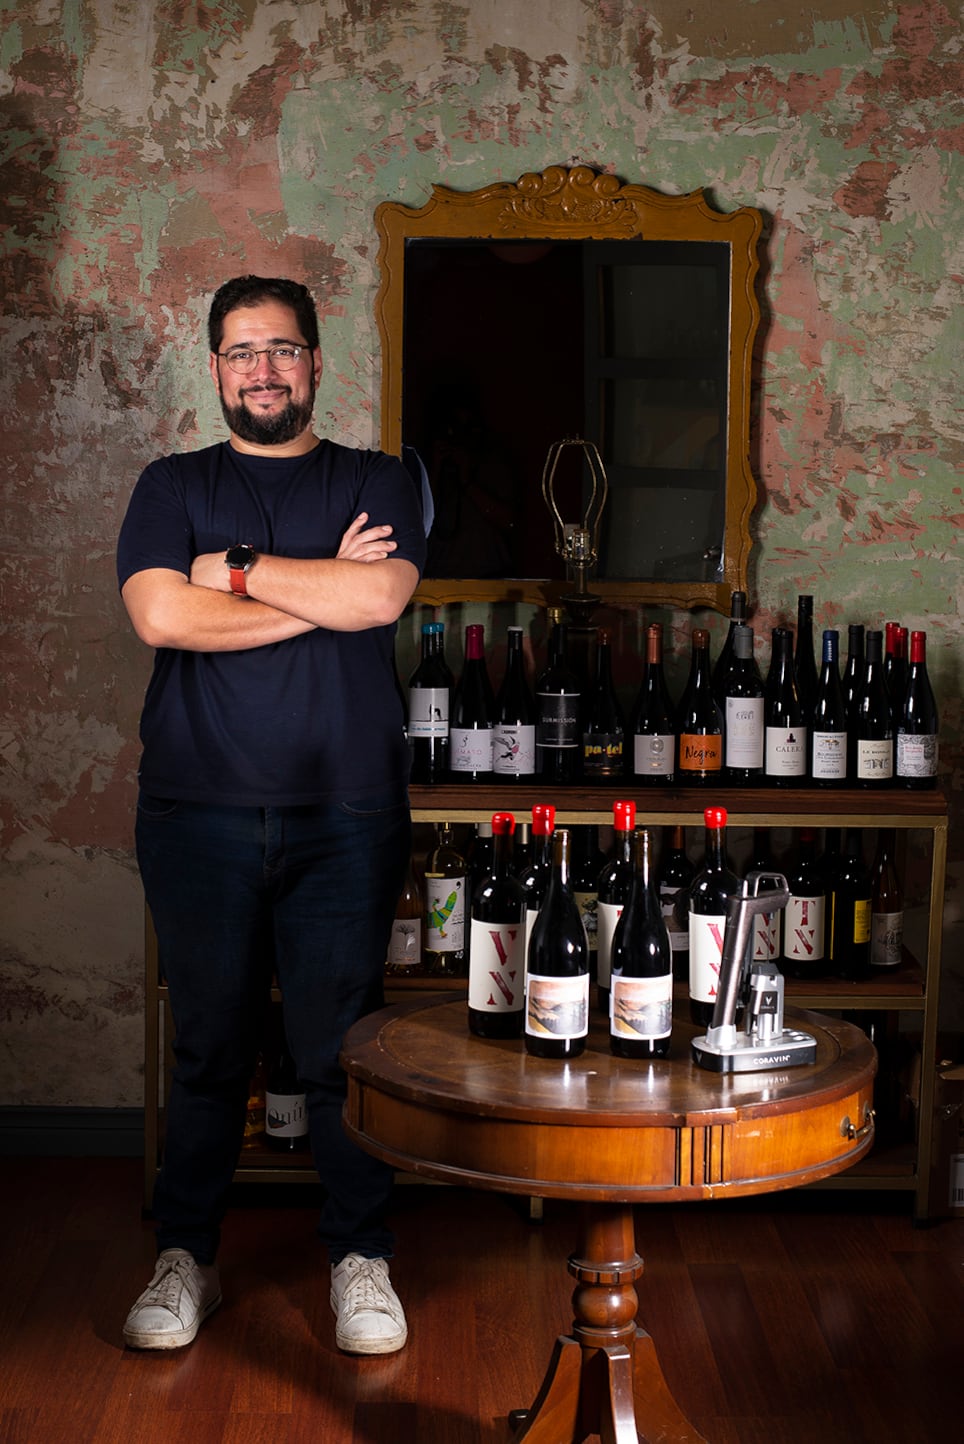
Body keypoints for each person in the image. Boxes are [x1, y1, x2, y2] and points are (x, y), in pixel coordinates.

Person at [116, 275, 426, 1355]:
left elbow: (378, 599)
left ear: (315, 363)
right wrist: (316, 593)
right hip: (195, 809)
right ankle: (184, 1258)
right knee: (209, 1047)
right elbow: (162, 615)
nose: (263, 370)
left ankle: (360, 1259)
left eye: (283, 350)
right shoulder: (171, 484)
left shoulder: (378, 477)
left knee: (340, 1049)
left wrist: (239, 574)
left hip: (345, 813)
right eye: (242, 352)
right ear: (215, 368)